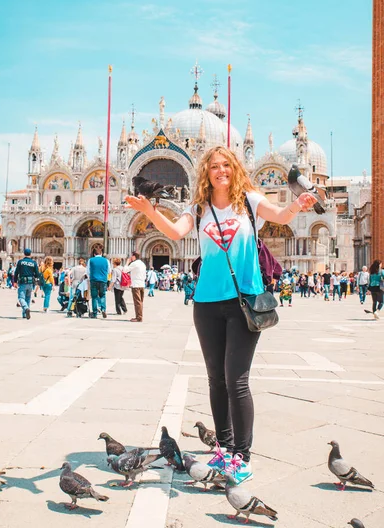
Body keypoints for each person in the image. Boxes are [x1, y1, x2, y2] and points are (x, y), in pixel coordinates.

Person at [125, 145, 316, 485]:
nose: (220, 171)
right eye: (214, 166)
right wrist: (148, 211)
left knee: (236, 380)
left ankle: (242, 456)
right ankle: (225, 448)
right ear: (206, 172)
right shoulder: (198, 207)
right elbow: (174, 233)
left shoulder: (250, 201)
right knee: (215, 379)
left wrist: (297, 205)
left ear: (235, 169)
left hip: (245, 300)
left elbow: (281, 215)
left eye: (226, 165)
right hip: (207, 302)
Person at [14, 248, 40, 319]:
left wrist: (15, 282)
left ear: (24, 254)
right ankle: (25, 314)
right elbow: (37, 274)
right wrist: (33, 276)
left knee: (21, 298)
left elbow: (16, 272)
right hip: (30, 283)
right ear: (30, 254)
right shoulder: (34, 263)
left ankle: (25, 308)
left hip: (22, 282)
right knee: (28, 298)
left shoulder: (20, 262)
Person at [87, 244, 110, 318]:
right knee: (102, 295)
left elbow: (88, 271)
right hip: (103, 280)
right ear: (101, 254)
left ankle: (95, 313)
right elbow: (109, 271)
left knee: (94, 297)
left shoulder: (91, 260)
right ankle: (103, 309)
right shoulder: (106, 260)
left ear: (94, 254)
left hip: (93, 280)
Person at [123, 252, 147, 322]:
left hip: (136, 285)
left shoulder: (134, 263)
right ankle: (139, 316)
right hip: (142, 284)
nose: (131, 257)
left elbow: (125, 270)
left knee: (137, 302)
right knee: (140, 302)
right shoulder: (143, 264)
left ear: (134, 256)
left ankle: (139, 317)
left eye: (131, 256)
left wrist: (127, 262)